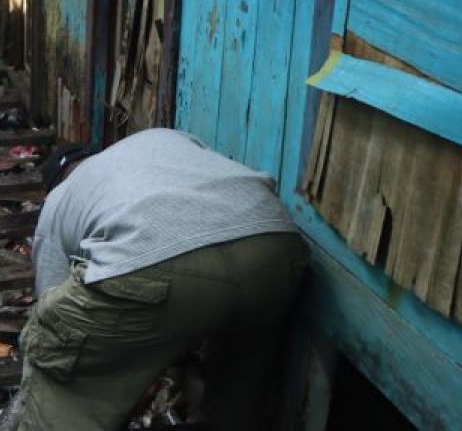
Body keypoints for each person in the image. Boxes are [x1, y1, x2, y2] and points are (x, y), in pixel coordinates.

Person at [18, 129, 308, 431]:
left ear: (53, 187)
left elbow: (57, 321)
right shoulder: (161, 139)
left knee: (54, 356)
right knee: (237, 397)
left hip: (160, 265)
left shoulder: (59, 200)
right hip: (275, 247)